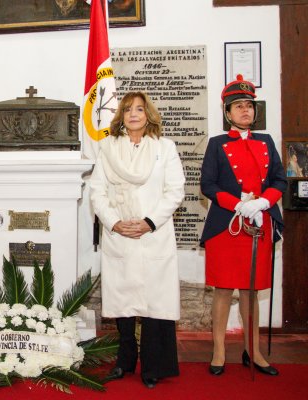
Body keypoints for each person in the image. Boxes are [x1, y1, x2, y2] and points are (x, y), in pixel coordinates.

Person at [89, 91, 185, 389]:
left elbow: (175, 191)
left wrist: (149, 222)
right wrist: (115, 223)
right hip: (120, 234)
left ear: (148, 115)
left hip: (153, 234)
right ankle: (124, 361)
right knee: (124, 302)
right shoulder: (107, 148)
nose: (134, 114)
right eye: (128, 109)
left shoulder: (164, 148)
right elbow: (97, 192)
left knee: (155, 302)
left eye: (140, 109)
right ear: (121, 116)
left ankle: (153, 366)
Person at [200, 74, 286, 377]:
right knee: (223, 289)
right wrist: (237, 203)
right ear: (227, 113)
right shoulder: (216, 143)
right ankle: (220, 350)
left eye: (249, 105)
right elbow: (207, 185)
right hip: (227, 225)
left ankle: (254, 351)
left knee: (252, 290)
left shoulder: (266, 141)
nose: (245, 111)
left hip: (259, 223)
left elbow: (279, 179)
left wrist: (264, 203)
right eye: (238, 106)